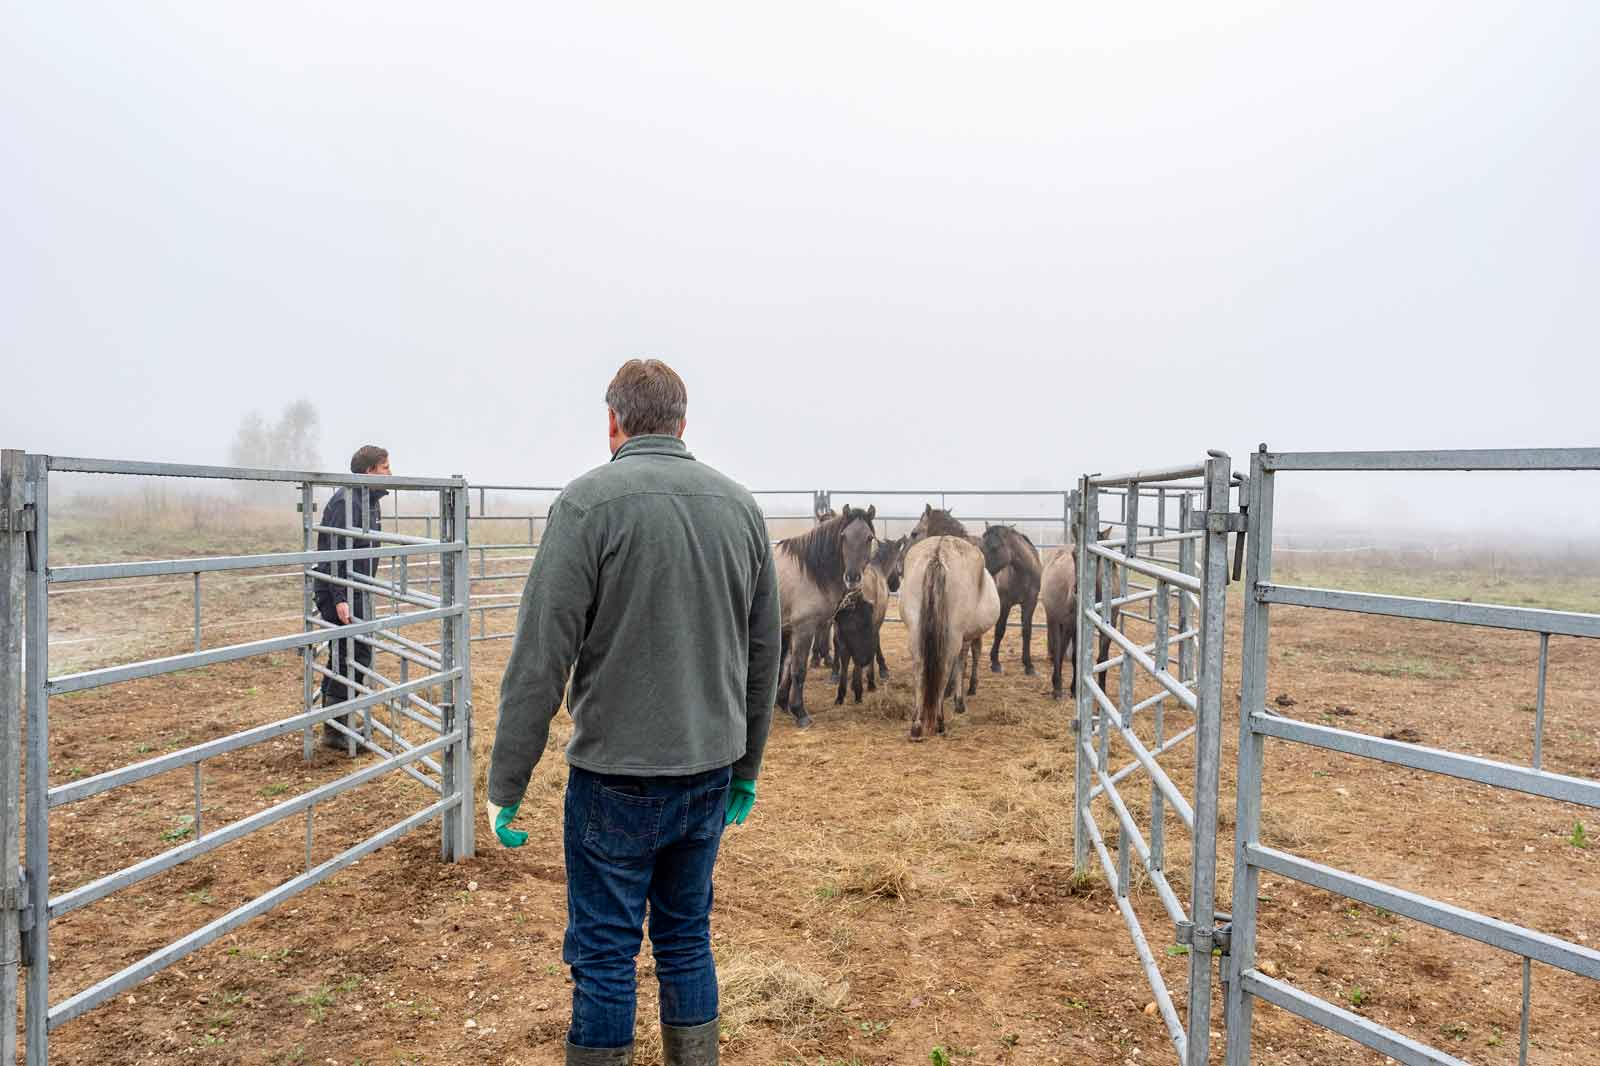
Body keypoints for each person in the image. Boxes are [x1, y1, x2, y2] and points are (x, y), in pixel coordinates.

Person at [487, 360, 780, 1066]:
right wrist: (747, 765)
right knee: (685, 939)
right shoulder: (739, 508)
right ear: (684, 423)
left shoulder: (587, 506)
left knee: (606, 952)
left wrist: (507, 783)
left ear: (613, 422)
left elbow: (539, 658)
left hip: (614, 776)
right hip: (708, 771)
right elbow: (765, 650)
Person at [313, 444, 391, 752]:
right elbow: (335, 549)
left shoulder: (367, 499)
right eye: (385, 467)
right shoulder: (347, 501)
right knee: (354, 654)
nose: (390, 473)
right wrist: (340, 596)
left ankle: (336, 723)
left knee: (347, 653)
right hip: (341, 589)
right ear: (370, 470)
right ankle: (335, 729)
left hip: (356, 586)